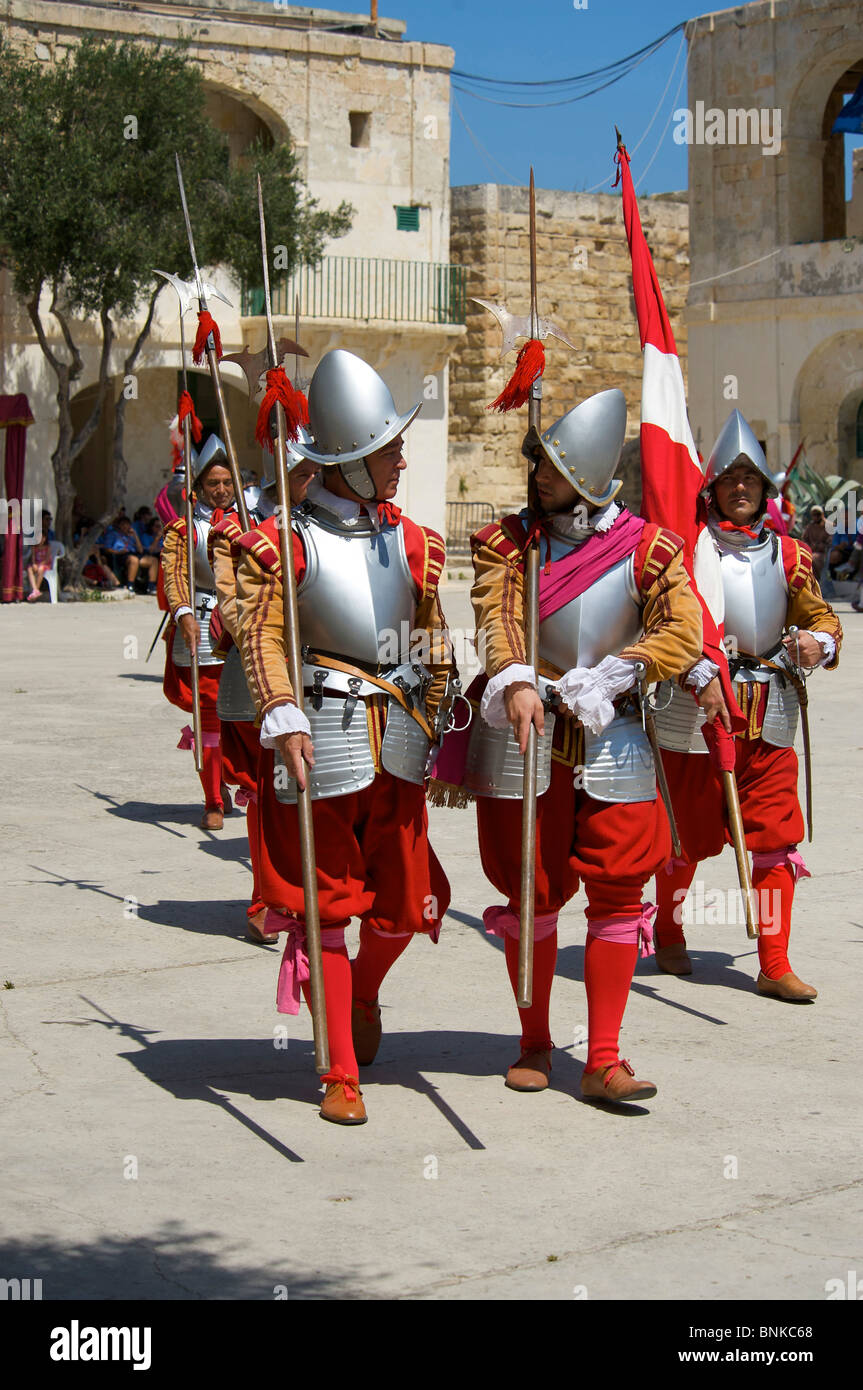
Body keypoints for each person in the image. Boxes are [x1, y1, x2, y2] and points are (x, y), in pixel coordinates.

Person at [465, 389, 703, 1105]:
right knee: (530, 890)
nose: (540, 477)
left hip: (614, 731)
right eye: (537, 464)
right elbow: (496, 615)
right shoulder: (507, 542)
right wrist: (513, 678)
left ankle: (603, 1057)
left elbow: (682, 630)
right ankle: (533, 1041)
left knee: (620, 889)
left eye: (557, 468)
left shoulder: (652, 548)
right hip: (529, 727)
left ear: (594, 473)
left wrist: (617, 670)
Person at [235, 350, 454, 1125]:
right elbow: (259, 634)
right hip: (315, 740)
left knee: (407, 904)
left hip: (397, 744)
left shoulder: (417, 543)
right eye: (388, 450)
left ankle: (364, 992)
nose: (401, 460)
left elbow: (431, 643)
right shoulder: (283, 543)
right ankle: (338, 1071)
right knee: (325, 908)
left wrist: (447, 726)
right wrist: (280, 710)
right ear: (352, 462)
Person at [652, 411, 843, 999]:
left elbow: (821, 618)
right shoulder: (687, 552)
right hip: (700, 707)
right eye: (730, 479)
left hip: (771, 713)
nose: (741, 488)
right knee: (686, 833)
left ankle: (774, 961)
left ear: (764, 489)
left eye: (751, 480)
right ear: (712, 488)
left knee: (776, 838)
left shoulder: (790, 556)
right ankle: (668, 928)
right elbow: (665, 621)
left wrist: (820, 641)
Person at [208, 440, 319, 943]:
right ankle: (266, 898)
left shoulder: (331, 526)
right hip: (259, 674)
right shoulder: (237, 531)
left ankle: (309, 893)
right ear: (282, 476)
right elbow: (232, 607)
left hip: (324, 677)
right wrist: (267, 624)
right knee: (266, 792)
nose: (313, 482)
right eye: (304, 473)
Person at [160, 435, 235, 830]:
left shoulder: (254, 523)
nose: (221, 490)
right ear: (199, 488)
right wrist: (184, 612)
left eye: (226, 483)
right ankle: (213, 798)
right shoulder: (182, 528)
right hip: (204, 627)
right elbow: (174, 574)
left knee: (253, 716)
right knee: (209, 716)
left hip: (246, 627)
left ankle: (246, 782)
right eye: (212, 484)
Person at [26, 523, 54, 601]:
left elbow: (47, 559)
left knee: (41, 569)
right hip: (37, 564)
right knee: (29, 568)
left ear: (44, 538)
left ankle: (35, 590)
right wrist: (34, 564)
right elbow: (33, 558)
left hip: (45, 564)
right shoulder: (34, 547)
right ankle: (35, 590)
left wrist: (39, 565)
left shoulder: (47, 547)